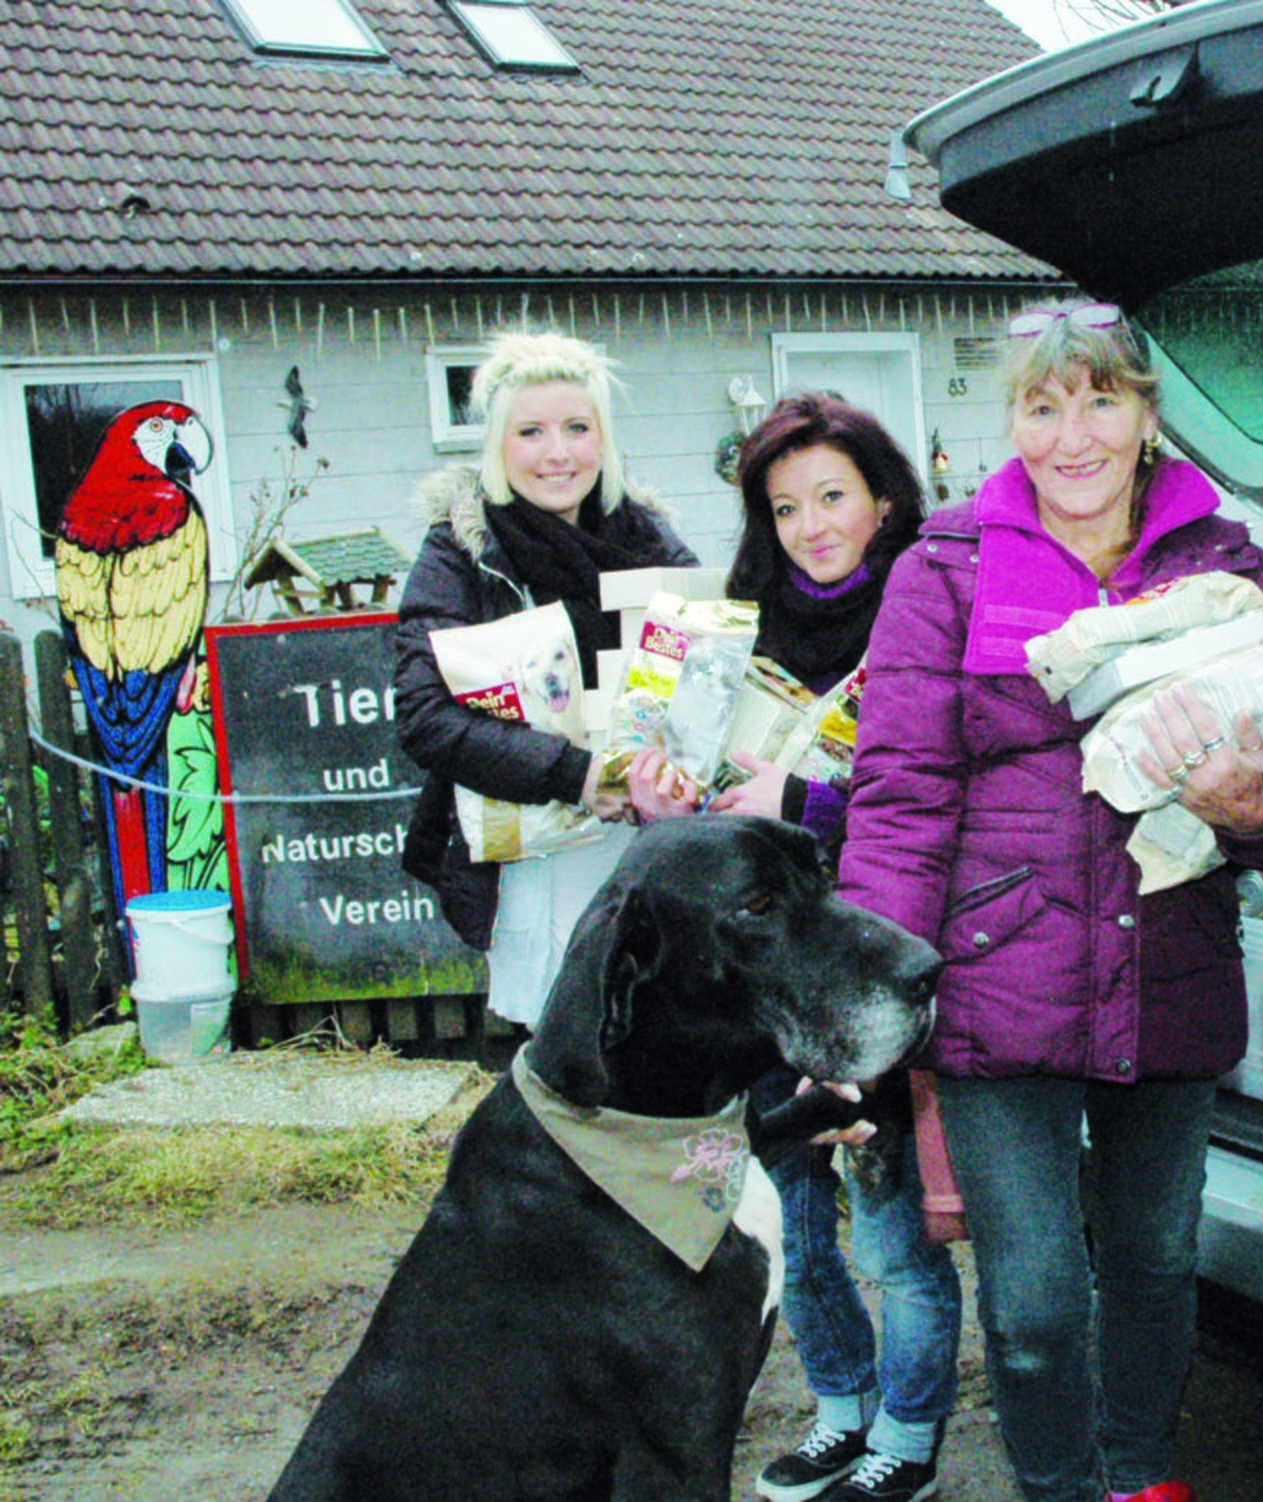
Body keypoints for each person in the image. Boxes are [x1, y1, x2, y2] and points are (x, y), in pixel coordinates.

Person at [834, 300, 1263, 1502]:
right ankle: (1056, 1486)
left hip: (1168, 966)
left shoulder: (1230, 569)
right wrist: (859, 1008)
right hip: (1000, 978)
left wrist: (1252, 808)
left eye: (1101, 400)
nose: (1072, 435)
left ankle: (1139, 1471)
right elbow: (898, 794)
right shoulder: (944, 566)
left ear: (1147, 416)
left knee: (1155, 1257)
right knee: (1038, 1299)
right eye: (1041, 407)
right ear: (1008, 423)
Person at [707, 392, 963, 1502]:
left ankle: (908, 1432)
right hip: (769, 978)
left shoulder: (932, 608)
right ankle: (840, 1407)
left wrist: (801, 799)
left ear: (884, 500)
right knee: (796, 1224)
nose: (811, 525)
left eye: (831, 497)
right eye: (784, 508)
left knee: (895, 1229)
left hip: (876, 960)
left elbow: (942, 793)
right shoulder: (732, 633)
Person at [395, 329, 697, 1026]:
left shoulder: (651, 541)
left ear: (604, 439)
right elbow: (424, 715)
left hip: (646, 843)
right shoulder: (462, 551)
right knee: (560, 1039)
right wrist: (580, 776)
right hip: (533, 849)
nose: (557, 453)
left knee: (654, 1035)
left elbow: (711, 669)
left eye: (576, 428)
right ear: (498, 444)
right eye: (530, 431)